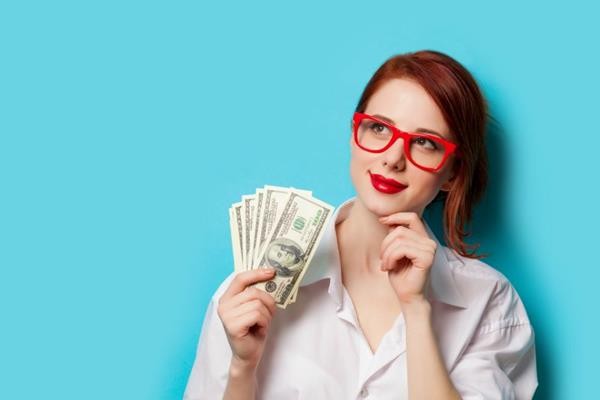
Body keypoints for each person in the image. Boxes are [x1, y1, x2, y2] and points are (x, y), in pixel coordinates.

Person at [183, 50, 538, 399]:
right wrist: (242, 367)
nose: (393, 158)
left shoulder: (487, 302)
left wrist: (417, 310)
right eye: (379, 128)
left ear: (453, 173)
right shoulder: (250, 289)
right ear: (355, 133)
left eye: (426, 143)